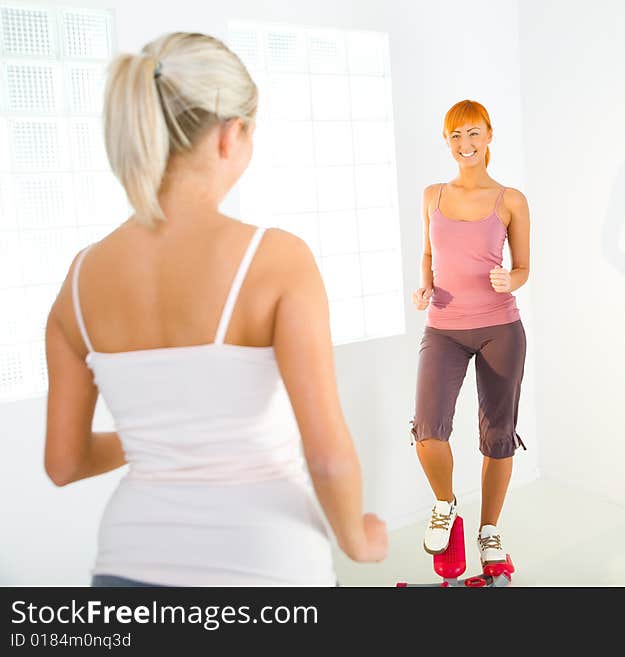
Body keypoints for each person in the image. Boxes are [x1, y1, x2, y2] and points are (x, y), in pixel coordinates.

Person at [42, 31, 387, 586]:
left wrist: (165, 441)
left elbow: (64, 463)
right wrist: (358, 540)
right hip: (266, 566)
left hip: (126, 568)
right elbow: (327, 455)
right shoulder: (275, 258)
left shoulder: (80, 279)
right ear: (233, 135)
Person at [410, 99, 530, 568]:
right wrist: (424, 284)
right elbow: (428, 253)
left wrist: (510, 280)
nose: (466, 144)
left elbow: (522, 267)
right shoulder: (432, 194)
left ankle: (489, 531)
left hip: (501, 328)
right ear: (447, 141)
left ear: (490, 136)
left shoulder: (511, 199)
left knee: (498, 435)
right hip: (443, 328)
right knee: (427, 429)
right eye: (456, 136)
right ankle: (445, 504)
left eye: (474, 133)